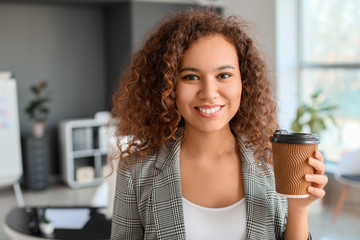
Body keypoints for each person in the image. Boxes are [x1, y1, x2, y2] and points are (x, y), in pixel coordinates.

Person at [109, 7, 328, 240]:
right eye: (191, 77)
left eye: (223, 75)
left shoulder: (273, 163)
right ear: (168, 87)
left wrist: (299, 208)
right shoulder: (135, 171)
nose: (209, 93)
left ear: (244, 81)